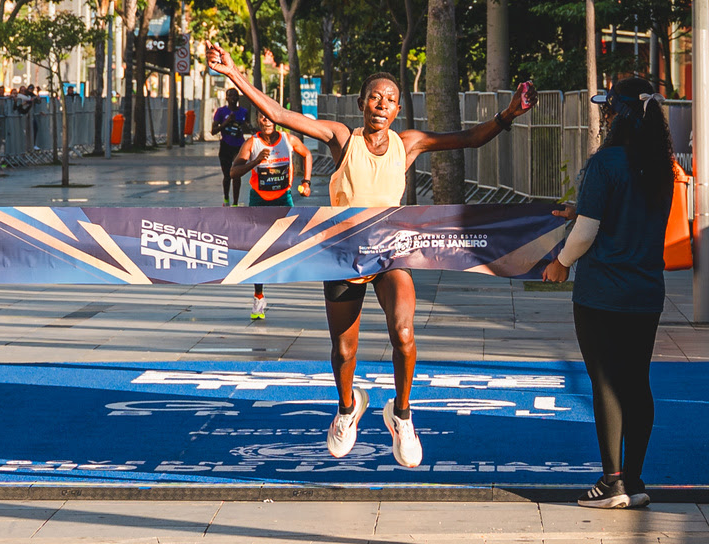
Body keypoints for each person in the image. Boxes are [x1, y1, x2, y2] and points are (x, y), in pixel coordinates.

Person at [206, 42, 536, 468]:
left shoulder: (408, 144)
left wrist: (509, 114)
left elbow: (469, 140)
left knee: (404, 332)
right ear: (362, 104)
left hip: (389, 256)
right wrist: (234, 73)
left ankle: (402, 415)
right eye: (375, 97)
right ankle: (348, 408)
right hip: (343, 257)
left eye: (390, 99)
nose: (382, 104)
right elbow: (284, 115)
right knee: (344, 352)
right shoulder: (343, 139)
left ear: (398, 109)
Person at [543, 77, 675, 510]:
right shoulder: (661, 166)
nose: (605, 115)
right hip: (645, 292)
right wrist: (579, 211)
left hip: (602, 293)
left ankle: (611, 482)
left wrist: (561, 262)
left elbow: (587, 232)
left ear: (617, 113)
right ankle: (633, 480)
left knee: (606, 384)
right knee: (637, 383)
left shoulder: (607, 162)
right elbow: (627, 214)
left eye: (608, 108)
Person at [231, 109, 313, 321]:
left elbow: (307, 154)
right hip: (259, 200)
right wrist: (255, 161)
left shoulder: (288, 139)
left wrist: (306, 181)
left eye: (269, 116)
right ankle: (258, 296)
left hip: (283, 198)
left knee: (294, 239)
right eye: (262, 116)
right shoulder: (252, 143)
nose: (266, 120)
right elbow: (234, 171)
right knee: (258, 249)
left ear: (275, 119)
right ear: (257, 120)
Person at [211, 88, 251, 206]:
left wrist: (253, 129)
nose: (233, 98)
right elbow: (213, 131)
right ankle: (226, 198)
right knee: (227, 175)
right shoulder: (221, 112)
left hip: (239, 146)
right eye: (231, 96)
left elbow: (248, 125)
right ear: (226, 98)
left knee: (236, 174)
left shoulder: (243, 111)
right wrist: (226, 122)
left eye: (235, 96)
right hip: (226, 145)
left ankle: (235, 202)